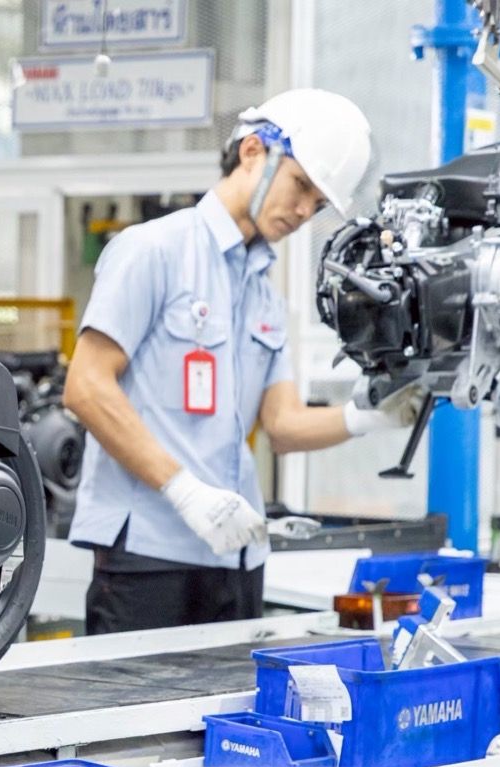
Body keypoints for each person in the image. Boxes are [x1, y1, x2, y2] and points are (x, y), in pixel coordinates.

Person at [62, 88, 425, 635]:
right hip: (148, 558)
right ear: (253, 150)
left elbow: (282, 425)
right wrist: (184, 490)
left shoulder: (265, 295)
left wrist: (367, 416)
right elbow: (87, 387)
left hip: (238, 558)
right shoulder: (152, 251)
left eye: (318, 204)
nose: (304, 211)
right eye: (301, 185)